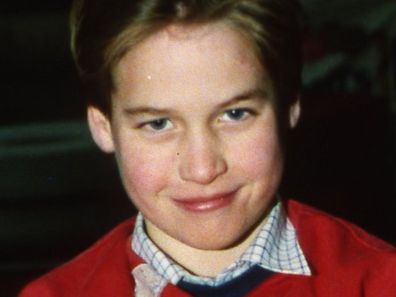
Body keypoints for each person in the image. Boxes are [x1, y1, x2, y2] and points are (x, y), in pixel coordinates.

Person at [19, 0, 396, 296]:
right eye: (158, 123)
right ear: (103, 128)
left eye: (235, 114)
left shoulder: (379, 281)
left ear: (289, 107)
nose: (202, 169)